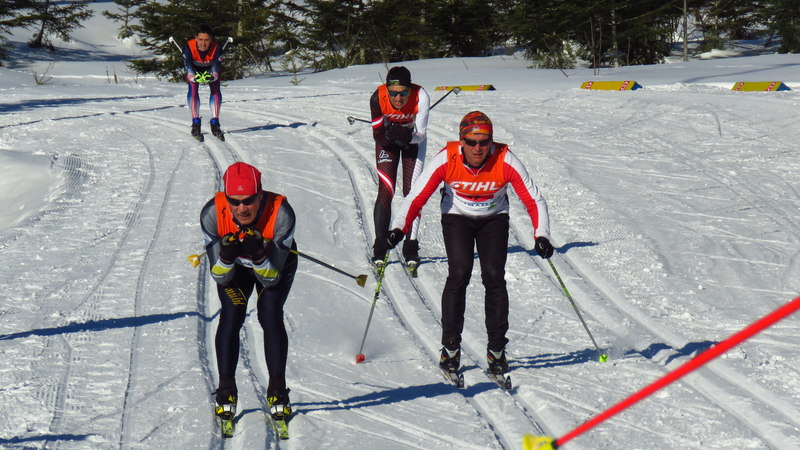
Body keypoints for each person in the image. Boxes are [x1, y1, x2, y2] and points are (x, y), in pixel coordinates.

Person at [384, 111, 554, 375]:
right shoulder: (446, 158)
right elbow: (416, 197)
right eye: (472, 142)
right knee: (459, 273)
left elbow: (534, 200)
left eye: (484, 142)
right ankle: (450, 348)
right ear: (461, 141)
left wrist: (541, 234)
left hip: (494, 217)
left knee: (494, 276)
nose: (478, 148)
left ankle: (497, 349)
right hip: (456, 216)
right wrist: (398, 229)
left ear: (491, 141)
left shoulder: (505, 159)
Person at [200, 161, 297, 423]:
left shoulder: (282, 213)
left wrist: (258, 255)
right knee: (231, 314)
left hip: (273, 265)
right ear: (226, 198)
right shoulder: (211, 213)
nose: (242, 208)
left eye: (249, 201)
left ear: (260, 194)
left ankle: (278, 391)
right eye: (234, 201)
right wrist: (226, 257)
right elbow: (219, 275)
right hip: (236, 268)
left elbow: (271, 279)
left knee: (269, 313)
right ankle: (226, 391)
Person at [369, 66, 430, 269]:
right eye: (393, 93)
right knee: (386, 189)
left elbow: (420, 135)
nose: (398, 98)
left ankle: (410, 246)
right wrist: (391, 136)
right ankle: (380, 245)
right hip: (388, 141)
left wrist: (406, 137)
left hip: (413, 141)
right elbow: (377, 135)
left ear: (410, 90)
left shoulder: (421, 96)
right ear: (387, 90)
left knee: (412, 192)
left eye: (403, 93)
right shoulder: (377, 98)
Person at [183, 23, 224, 140]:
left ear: (211, 39)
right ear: (196, 38)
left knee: (215, 88)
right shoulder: (188, 46)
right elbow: (188, 69)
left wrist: (212, 76)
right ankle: (195, 123)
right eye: (200, 40)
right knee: (192, 88)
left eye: (206, 40)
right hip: (194, 69)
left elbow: (215, 71)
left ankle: (215, 122)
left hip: (210, 69)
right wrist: (193, 76)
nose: (203, 43)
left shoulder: (217, 47)